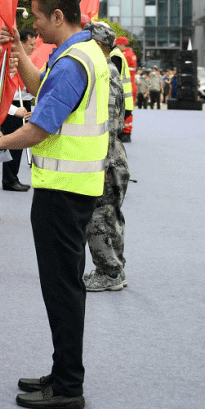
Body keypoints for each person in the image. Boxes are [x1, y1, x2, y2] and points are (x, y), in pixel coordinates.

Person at [0, 0, 110, 409]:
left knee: (61, 290)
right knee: (63, 288)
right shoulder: (78, 53)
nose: (34, 26)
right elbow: (41, 88)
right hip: (73, 189)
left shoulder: (74, 62)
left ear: (59, 15)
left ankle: (68, 386)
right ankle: (61, 372)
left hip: (64, 192)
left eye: (37, 19)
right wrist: (18, 50)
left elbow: (40, 127)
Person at [81, 21, 130, 293]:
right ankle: (115, 268)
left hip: (106, 158)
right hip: (110, 157)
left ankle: (109, 272)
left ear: (99, 45)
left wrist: (99, 162)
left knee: (99, 219)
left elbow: (109, 123)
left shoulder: (106, 73)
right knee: (110, 217)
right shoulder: (108, 70)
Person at [1, 28, 37, 191]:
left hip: (25, 104)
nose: (33, 47)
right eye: (30, 43)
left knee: (20, 144)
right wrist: (15, 110)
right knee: (13, 143)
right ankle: (8, 179)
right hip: (13, 105)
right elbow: (2, 92)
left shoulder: (27, 61)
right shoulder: (12, 60)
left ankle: (13, 177)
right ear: (21, 42)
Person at [115, 36, 137, 141]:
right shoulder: (131, 54)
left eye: (117, 45)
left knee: (126, 109)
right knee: (128, 109)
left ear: (121, 45)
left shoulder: (123, 55)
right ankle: (127, 130)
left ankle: (126, 132)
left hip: (126, 86)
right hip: (131, 85)